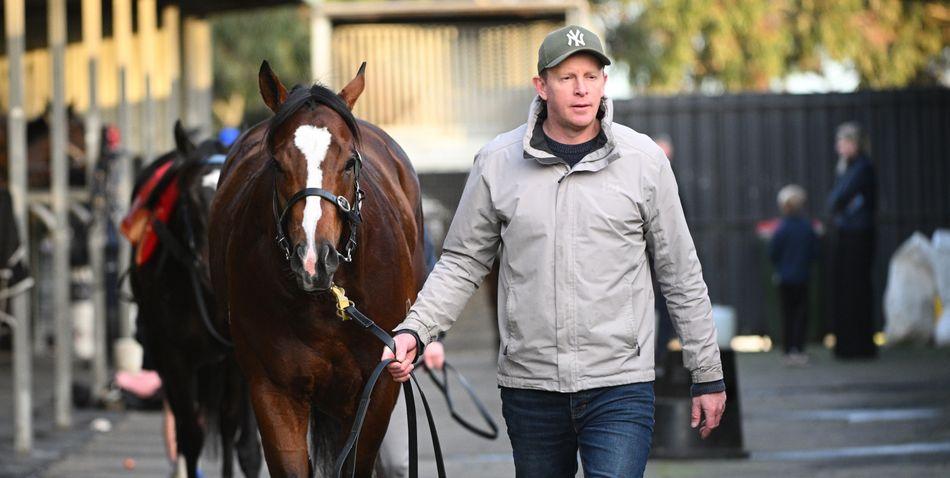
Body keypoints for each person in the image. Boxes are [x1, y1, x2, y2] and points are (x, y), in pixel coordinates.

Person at [382, 25, 726, 477]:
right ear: (541, 86)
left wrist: (707, 372)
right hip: (531, 387)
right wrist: (414, 331)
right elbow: (462, 263)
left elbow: (680, 271)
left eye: (591, 75)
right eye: (566, 77)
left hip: (620, 383)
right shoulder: (496, 162)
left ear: (605, 82)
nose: (581, 89)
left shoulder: (643, 162)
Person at [826, 122, 877, 359]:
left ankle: (857, 346)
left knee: (855, 289)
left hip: (857, 237)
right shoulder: (849, 168)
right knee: (847, 290)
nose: (839, 147)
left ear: (853, 144)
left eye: (843, 142)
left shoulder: (861, 168)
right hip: (850, 234)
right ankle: (850, 345)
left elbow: (838, 198)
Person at [769, 185, 819, 365]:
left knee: (787, 314)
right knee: (801, 314)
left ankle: (787, 350)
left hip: (784, 278)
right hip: (802, 277)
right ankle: (799, 349)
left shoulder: (781, 229)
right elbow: (815, 252)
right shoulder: (807, 228)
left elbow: (772, 252)